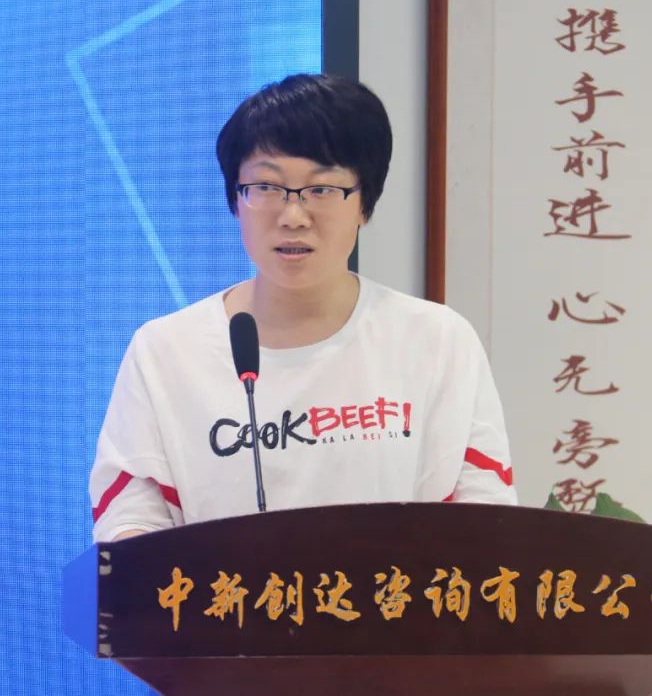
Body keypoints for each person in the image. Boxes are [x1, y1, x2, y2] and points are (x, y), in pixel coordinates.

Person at [90, 73, 516, 542]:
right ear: (236, 199)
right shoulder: (165, 351)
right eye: (267, 187)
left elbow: (484, 521)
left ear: (365, 204)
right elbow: (129, 524)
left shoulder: (437, 340)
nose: (293, 216)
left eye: (322, 189)